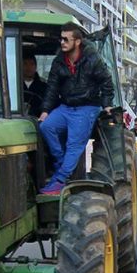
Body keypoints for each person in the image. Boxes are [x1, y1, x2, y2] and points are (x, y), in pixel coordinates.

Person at [38, 22, 115, 195]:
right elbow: (52, 87)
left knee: (74, 143)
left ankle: (59, 181)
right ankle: (61, 166)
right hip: (66, 107)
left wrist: (107, 104)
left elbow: (107, 82)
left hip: (87, 107)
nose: (62, 42)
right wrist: (45, 111)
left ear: (77, 41)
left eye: (66, 39)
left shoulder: (92, 59)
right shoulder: (59, 61)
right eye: (61, 39)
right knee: (46, 127)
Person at [22, 52, 48, 118]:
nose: (28, 67)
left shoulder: (44, 87)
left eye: (31, 64)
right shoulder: (14, 87)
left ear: (35, 67)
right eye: (25, 64)